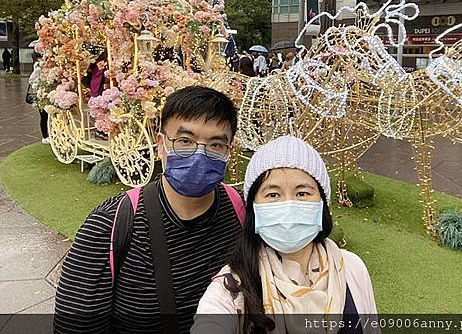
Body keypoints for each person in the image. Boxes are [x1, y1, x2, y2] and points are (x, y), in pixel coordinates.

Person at [54, 87, 244, 333]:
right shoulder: (110, 225)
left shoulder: (243, 212)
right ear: (161, 144)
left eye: (215, 144)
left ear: (229, 150)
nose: (199, 154)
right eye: (185, 141)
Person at [193, 136, 378, 334]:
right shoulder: (229, 290)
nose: (288, 204)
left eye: (302, 193)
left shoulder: (351, 268)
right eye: (273, 195)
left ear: (322, 203)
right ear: (253, 208)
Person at [28, 53, 49, 144]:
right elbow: (31, 80)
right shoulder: (38, 69)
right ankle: (45, 136)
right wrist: (39, 85)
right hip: (41, 95)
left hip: (51, 95)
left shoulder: (54, 69)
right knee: (44, 116)